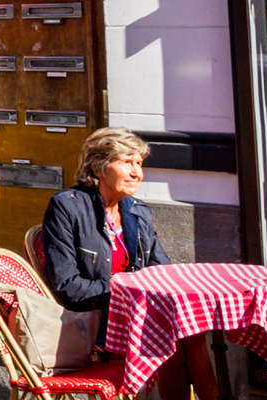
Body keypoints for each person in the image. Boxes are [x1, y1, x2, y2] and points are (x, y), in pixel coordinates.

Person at [41, 127, 213, 400]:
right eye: (126, 162)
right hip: (94, 316)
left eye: (139, 163)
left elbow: (162, 271)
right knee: (176, 334)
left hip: (136, 309)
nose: (137, 173)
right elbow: (68, 286)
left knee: (189, 329)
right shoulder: (67, 207)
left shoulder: (137, 211)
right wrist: (125, 293)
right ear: (98, 167)